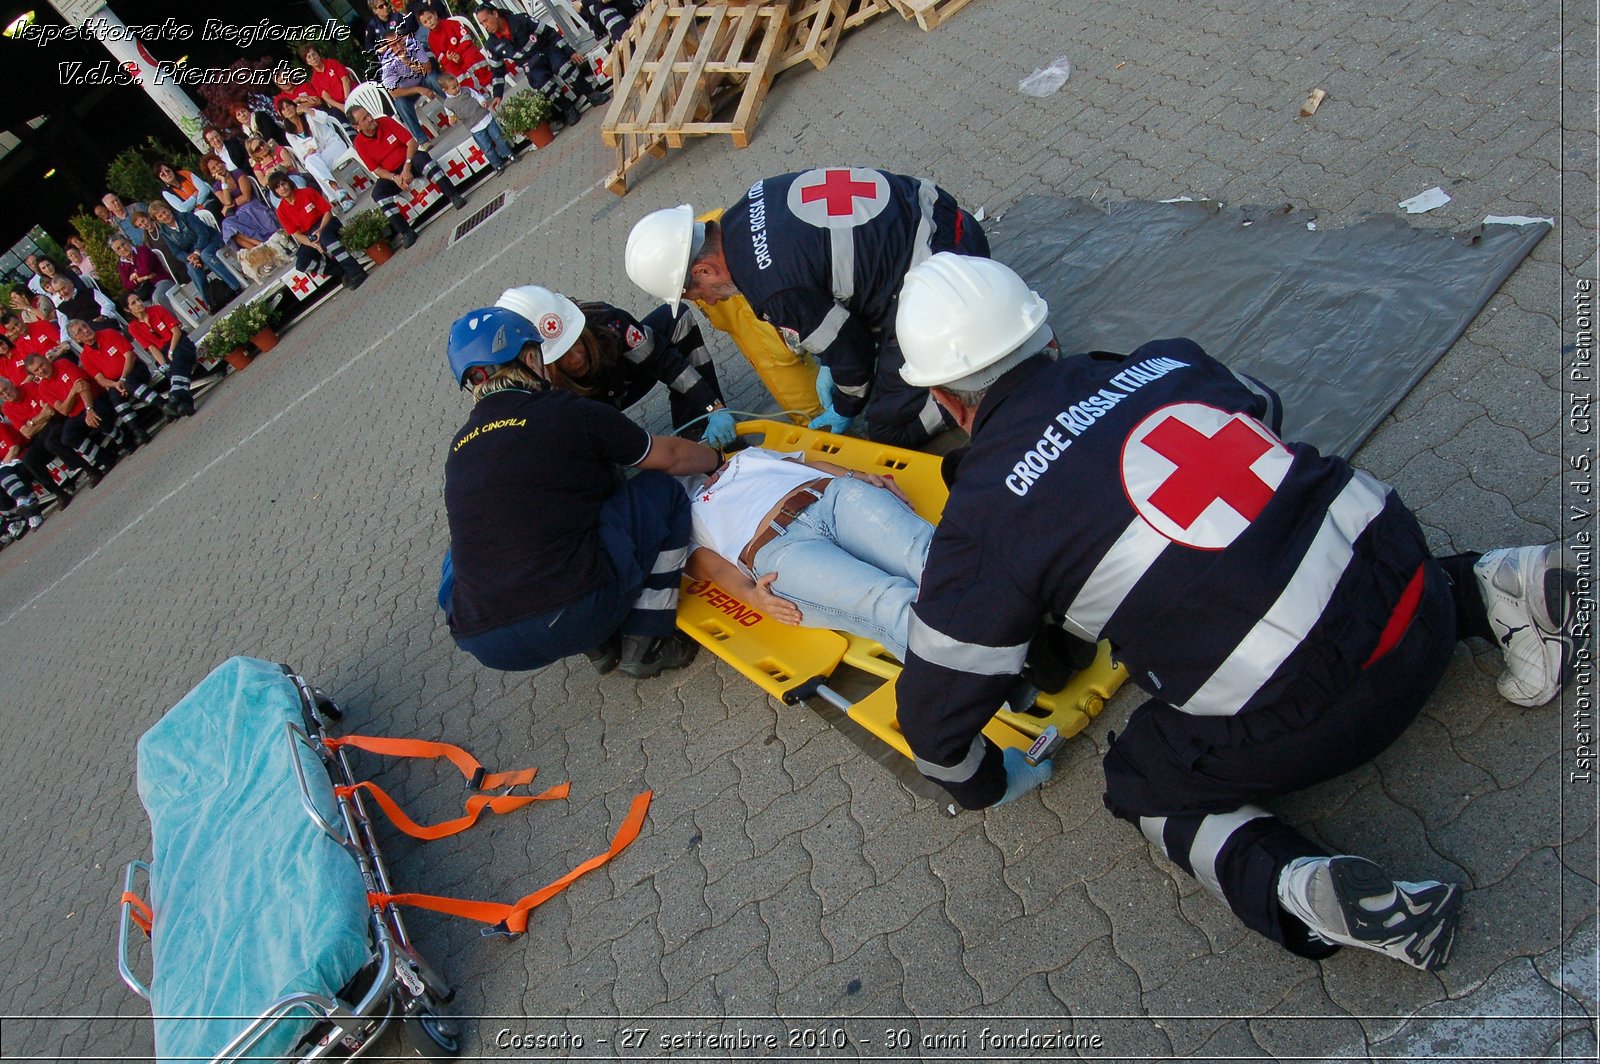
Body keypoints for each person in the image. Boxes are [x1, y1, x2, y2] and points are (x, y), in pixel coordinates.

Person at [889, 253, 1585, 971]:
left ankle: (1297, 887)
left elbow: (935, 720)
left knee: (1140, 779)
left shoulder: (986, 519)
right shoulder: (1167, 363)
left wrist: (982, 785)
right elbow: (1263, 416)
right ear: (1048, 335)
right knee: (1312, 558)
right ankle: (1504, 582)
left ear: (946, 401)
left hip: (1330, 713)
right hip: (1409, 582)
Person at [441, 305, 718, 678]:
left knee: (470, 543)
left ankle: (601, 647)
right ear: (530, 358)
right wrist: (715, 458)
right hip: (571, 612)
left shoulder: (460, 446)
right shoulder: (565, 411)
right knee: (661, 491)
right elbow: (666, 456)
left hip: (486, 643)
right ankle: (648, 639)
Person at [625, 168, 990, 449]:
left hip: (943, 271)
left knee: (888, 426)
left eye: (697, 292)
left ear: (704, 270)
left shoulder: (771, 289)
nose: (708, 301)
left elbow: (851, 351)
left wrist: (846, 405)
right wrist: (832, 360)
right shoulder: (753, 198)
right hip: (942, 217)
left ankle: (972, 390)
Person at [685, 447, 933, 659]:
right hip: (779, 549)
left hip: (831, 495)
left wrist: (860, 476)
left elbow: (811, 465)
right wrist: (753, 598)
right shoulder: (686, 521)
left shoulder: (745, 458)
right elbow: (716, 570)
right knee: (886, 601)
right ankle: (964, 664)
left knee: (927, 556)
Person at [491, 285, 732, 444]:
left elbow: (663, 361)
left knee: (677, 319)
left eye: (576, 341)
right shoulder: (529, 387)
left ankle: (698, 430)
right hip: (587, 413)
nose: (576, 357)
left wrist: (713, 407)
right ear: (535, 360)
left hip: (624, 381)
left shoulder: (608, 322)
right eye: (561, 355)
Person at [475, 3, 610, 128]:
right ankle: (568, 109)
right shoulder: (492, 46)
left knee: (564, 68)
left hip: (547, 50)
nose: (485, 26)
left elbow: (550, 33)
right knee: (541, 83)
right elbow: (497, 71)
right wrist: (498, 95)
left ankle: (591, 94)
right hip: (531, 64)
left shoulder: (520, 20)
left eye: (486, 20)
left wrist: (570, 52)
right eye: (481, 24)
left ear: (495, 13)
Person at [349, 103, 469, 228]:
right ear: (357, 127)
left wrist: (407, 167)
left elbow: (411, 142)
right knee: (378, 194)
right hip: (393, 174)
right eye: (364, 119)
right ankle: (405, 232)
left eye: (368, 114)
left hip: (409, 160)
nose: (370, 118)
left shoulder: (385, 121)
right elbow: (376, 169)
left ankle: (453, 195)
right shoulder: (359, 143)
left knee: (424, 160)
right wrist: (395, 178)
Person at [269, 170, 367, 291]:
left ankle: (356, 272)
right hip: (309, 236)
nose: (282, 188)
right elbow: (296, 234)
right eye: (277, 187)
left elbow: (327, 211)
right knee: (302, 263)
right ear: (275, 192)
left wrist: (320, 230)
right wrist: (313, 244)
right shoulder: (281, 211)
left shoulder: (307, 192)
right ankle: (341, 271)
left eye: (283, 184)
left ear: (289, 183)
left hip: (325, 223)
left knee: (328, 241)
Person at [67, 320, 156, 444]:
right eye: (80, 331)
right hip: (116, 382)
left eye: (85, 326)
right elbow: (100, 379)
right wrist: (115, 384)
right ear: (77, 339)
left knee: (130, 383)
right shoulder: (85, 357)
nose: (86, 330)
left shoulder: (109, 334)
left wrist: (123, 379)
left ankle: (163, 404)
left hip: (135, 370)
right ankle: (138, 431)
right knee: (115, 398)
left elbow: (129, 356)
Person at [146, 201, 245, 301]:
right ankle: (210, 301)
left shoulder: (186, 217)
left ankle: (235, 286)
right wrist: (189, 257)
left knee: (205, 255)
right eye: (160, 216)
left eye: (164, 212)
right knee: (191, 267)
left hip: (211, 240)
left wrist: (197, 252)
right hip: (193, 253)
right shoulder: (165, 233)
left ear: (168, 209)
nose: (164, 216)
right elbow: (176, 252)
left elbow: (203, 233)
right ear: (157, 220)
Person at [122, 294, 198, 417]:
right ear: (127, 309)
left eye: (139, 299)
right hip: (162, 351)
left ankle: (175, 397)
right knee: (167, 367)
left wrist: (171, 351)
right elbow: (151, 347)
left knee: (177, 358)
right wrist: (163, 363)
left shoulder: (157, 309)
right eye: (133, 303)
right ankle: (184, 404)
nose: (139, 303)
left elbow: (176, 331)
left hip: (178, 342)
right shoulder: (133, 327)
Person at [279, 96, 359, 211]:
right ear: (282, 114)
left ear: (294, 106)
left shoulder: (308, 116)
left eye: (288, 105)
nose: (287, 109)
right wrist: (308, 152)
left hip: (333, 146)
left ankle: (342, 198)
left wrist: (306, 109)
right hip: (317, 157)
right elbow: (301, 155)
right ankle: (338, 191)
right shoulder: (289, 134)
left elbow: (324, 118)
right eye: (283, 109)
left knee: (315, 168)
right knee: (310, 162)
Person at [435, 72, 513, 176]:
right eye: (454, 87)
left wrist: (482, 102)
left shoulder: (466, 90)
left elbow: (477, 96)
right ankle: (497, 164)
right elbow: (451, 117)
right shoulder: (448, 104)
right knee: (486, 147)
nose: (458, 88)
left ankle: (509, 154)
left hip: (485, 117)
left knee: (498, 137)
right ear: (445, 90)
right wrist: (453, 121)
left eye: (458, 84)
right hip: (474, 127)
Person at [109, 235, 177, 316]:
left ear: (127, 242)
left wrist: (135, 275)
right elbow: (127, 285)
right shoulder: (121, 266)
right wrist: (142, 278)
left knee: (158, 298)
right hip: (144, 291)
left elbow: (147, 268)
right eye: (118, 249)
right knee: (142, 307)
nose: (123, 249)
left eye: (123, 244)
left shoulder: (142, 250)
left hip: (160, 281)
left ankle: (175, 324)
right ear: (117, 252)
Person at [300, 44, 356, 112]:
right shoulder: (314, 80)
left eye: (314, 54)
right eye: (309, 57)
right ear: (307, 62)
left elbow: (346, 80)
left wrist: (347, 100)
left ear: (318, 55)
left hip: (352, 94)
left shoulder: (332, 63)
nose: (313, 58)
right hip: (339, 105)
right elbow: (326, 98)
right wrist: (341, 106)